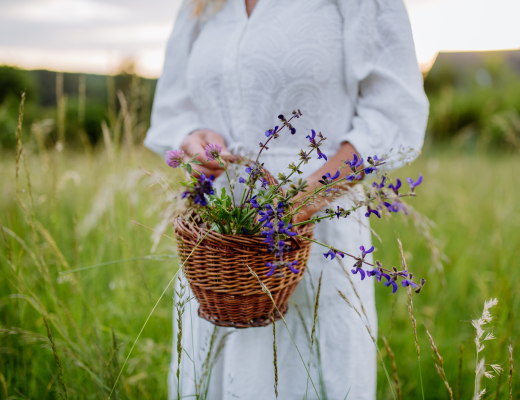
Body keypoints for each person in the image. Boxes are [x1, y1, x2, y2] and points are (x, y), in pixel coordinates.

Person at [144, 0, 428, 398]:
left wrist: (303, 199)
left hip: (317, 226)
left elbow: (394, 111)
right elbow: (174, 109)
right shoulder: (200, 5)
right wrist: (194, 138)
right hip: (217, 243)